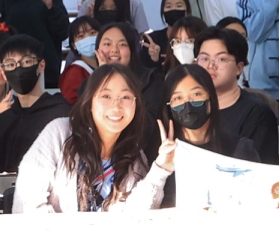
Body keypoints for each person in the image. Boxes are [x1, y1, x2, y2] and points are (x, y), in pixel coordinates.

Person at [13, 65, 176, 213]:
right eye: (106, 96)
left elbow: (137, 218)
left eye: (125, 97)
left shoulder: (135, 158)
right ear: (90, 102)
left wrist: (161, 169)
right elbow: (28, 201)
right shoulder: (59, 133)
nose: (116, 106)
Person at [0, 36, 70, 200]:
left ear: (41, 66)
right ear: (4, 72)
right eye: (10, 64)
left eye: (26, 62)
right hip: (7, 207)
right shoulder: (4, 120)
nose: (18, 69)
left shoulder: (62, 114)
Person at [195, 29, 279, 165]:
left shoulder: (257, 114)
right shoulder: (191, 108)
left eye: (221, 59)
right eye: (204, 59)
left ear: (239, 67)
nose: (210, 66)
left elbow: (257, 168)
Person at [163, 64, 262, 162]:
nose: (187, 104)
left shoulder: (239, 149)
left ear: (211, 97)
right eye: (178, 98)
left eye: (196, 94)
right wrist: (161, 168)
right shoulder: (164, 151)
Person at [61, 16, 100, 105]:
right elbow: (71, 104)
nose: (88, 38)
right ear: (74, 45)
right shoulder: (74, 72)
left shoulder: (110, 64)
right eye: (81, 36)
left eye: (92, 33)